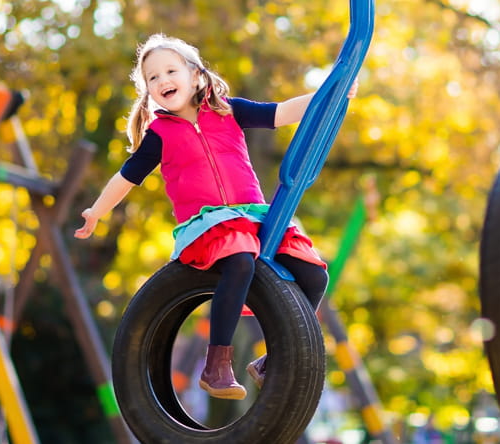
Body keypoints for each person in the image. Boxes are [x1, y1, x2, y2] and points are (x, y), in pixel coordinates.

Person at [75, 33, 357, 400]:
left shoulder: (228, 111)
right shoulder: (159, 134)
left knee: (313, 273)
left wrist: (331, 97)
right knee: (240, 261)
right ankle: (216, 365)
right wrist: (96, 212)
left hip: (253, 217)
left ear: (195, 75)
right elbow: (127, 176)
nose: (162, 81)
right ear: (147, 91)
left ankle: (271, 361)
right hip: (208, 223)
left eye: (170, 71)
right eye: (152, 78)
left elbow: (283, 112)